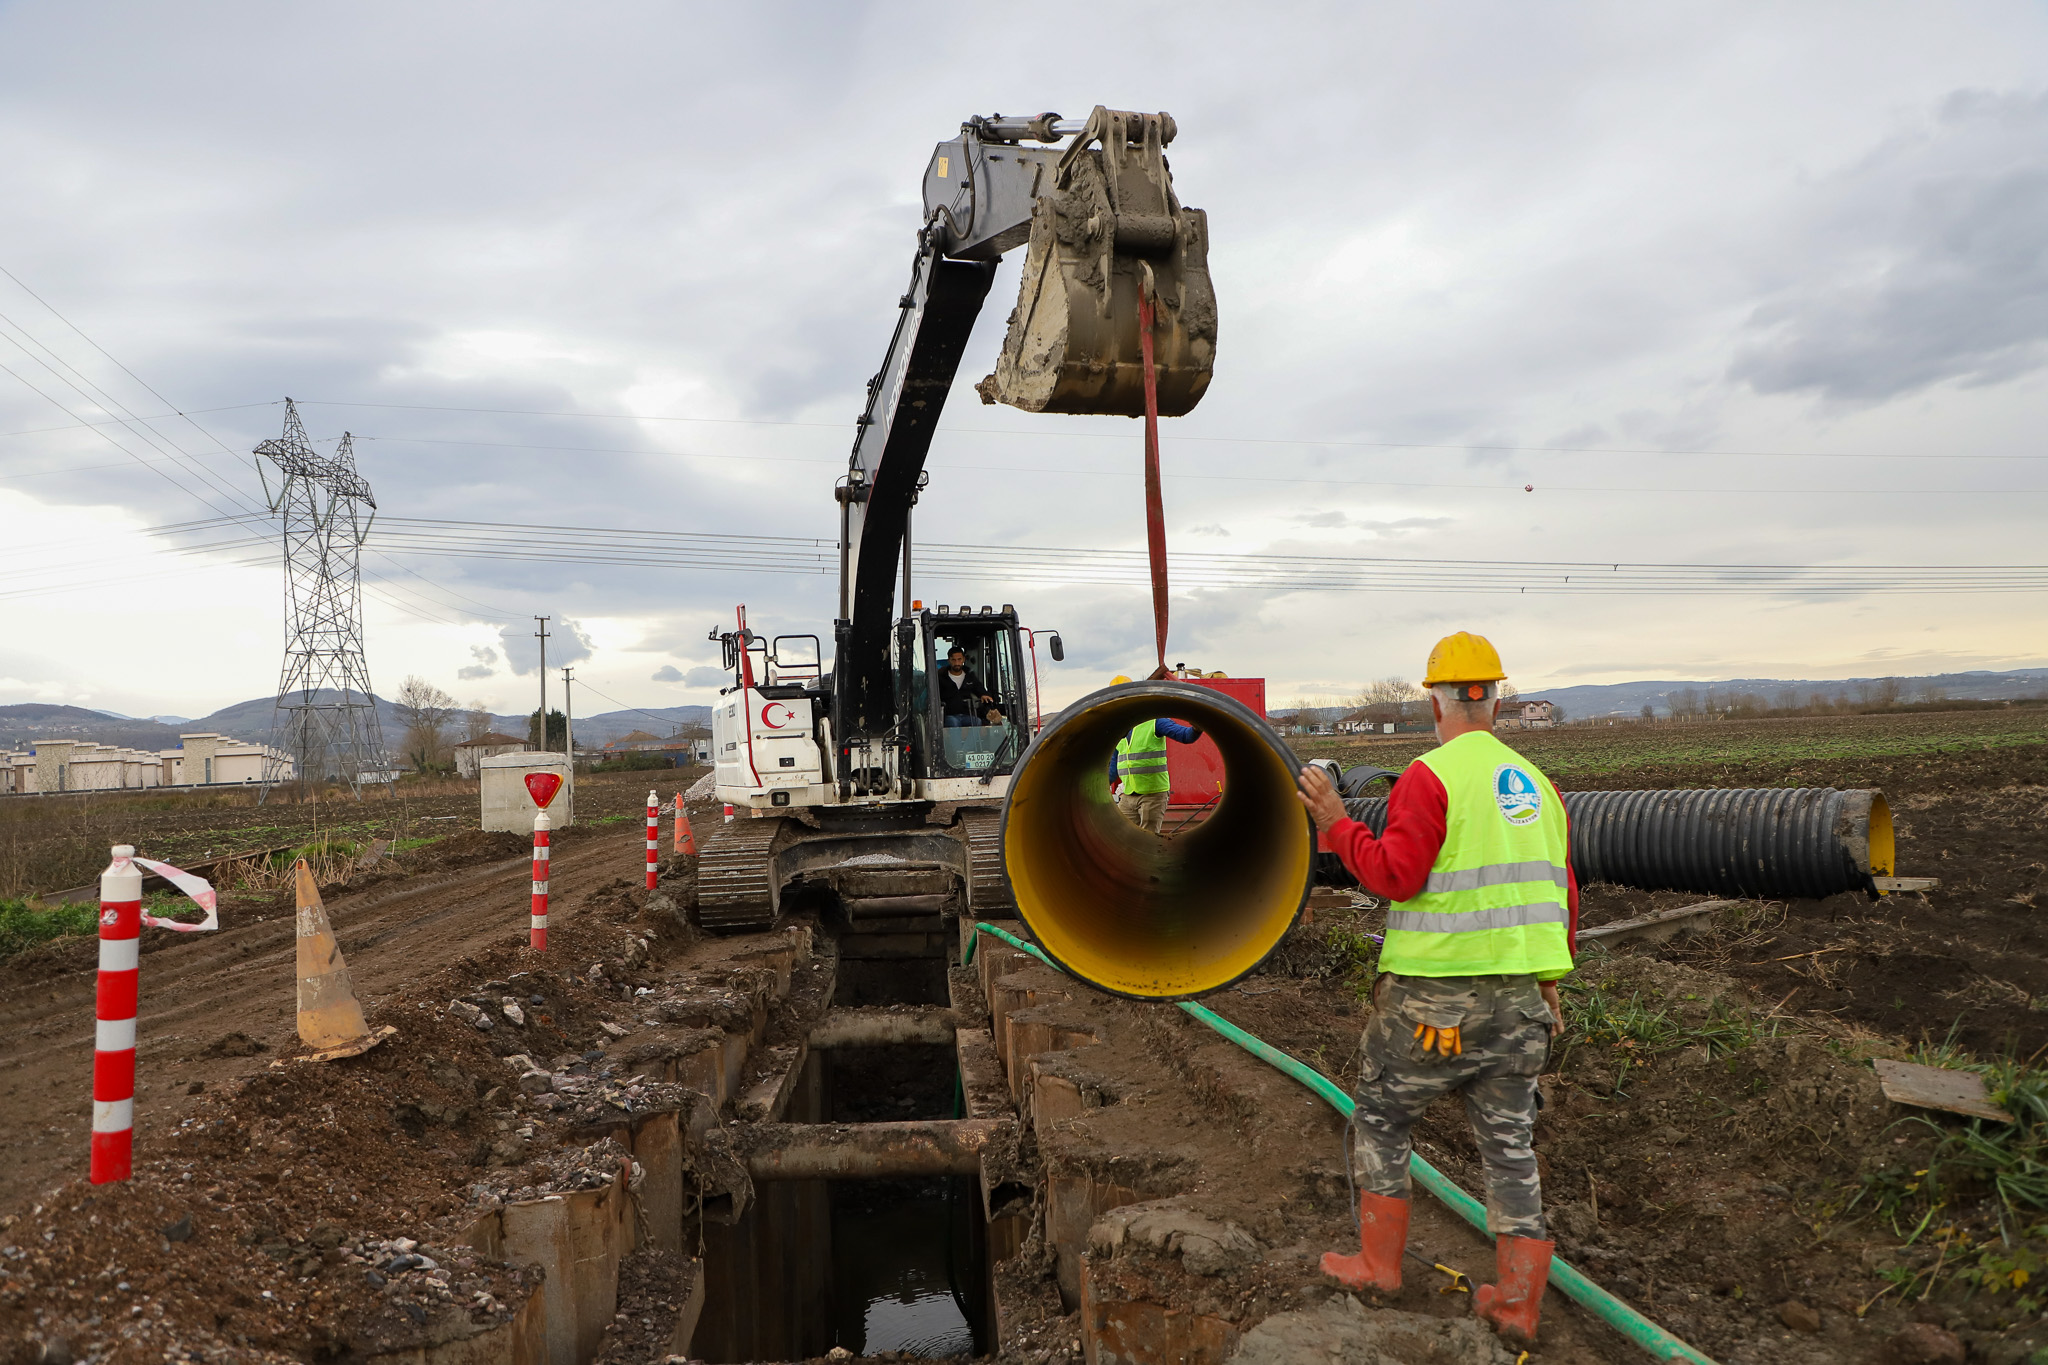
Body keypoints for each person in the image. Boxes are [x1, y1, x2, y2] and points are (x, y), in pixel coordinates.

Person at [1293, 631, 1574, 1348]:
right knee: (1511, 1148)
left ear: (1434, 700)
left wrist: (1335, 823)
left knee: (1383, 1117)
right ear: (1498, 700)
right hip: (1520, 1005)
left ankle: (1378, 1266)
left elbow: (1395, 875)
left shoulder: (1430, 774)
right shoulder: (1539, 786)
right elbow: (1559, 895)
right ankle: (1518, 1305)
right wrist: (1548, 982)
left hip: (1432, 1004)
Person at [1107, 675, 1205, 833]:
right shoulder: (1118, 728)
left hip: (1152, 795)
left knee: (1148, 839)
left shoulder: (1155, 721)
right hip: (1128, 794)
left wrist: (1196, 728)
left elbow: (1185, 736)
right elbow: (1113, 766)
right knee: (1120, 834)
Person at [936, 646, 994, 729]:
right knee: (954, 723)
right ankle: (956, 742)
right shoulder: (941, 678)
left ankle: (971, 742)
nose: (957, 663)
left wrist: (983, 694)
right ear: (948, 660)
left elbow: (978, 687)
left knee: (977, 722)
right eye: (953, 660)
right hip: (949, 715)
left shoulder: (970, 676)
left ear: (963, 659)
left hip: (966, 714)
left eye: (959, 659)